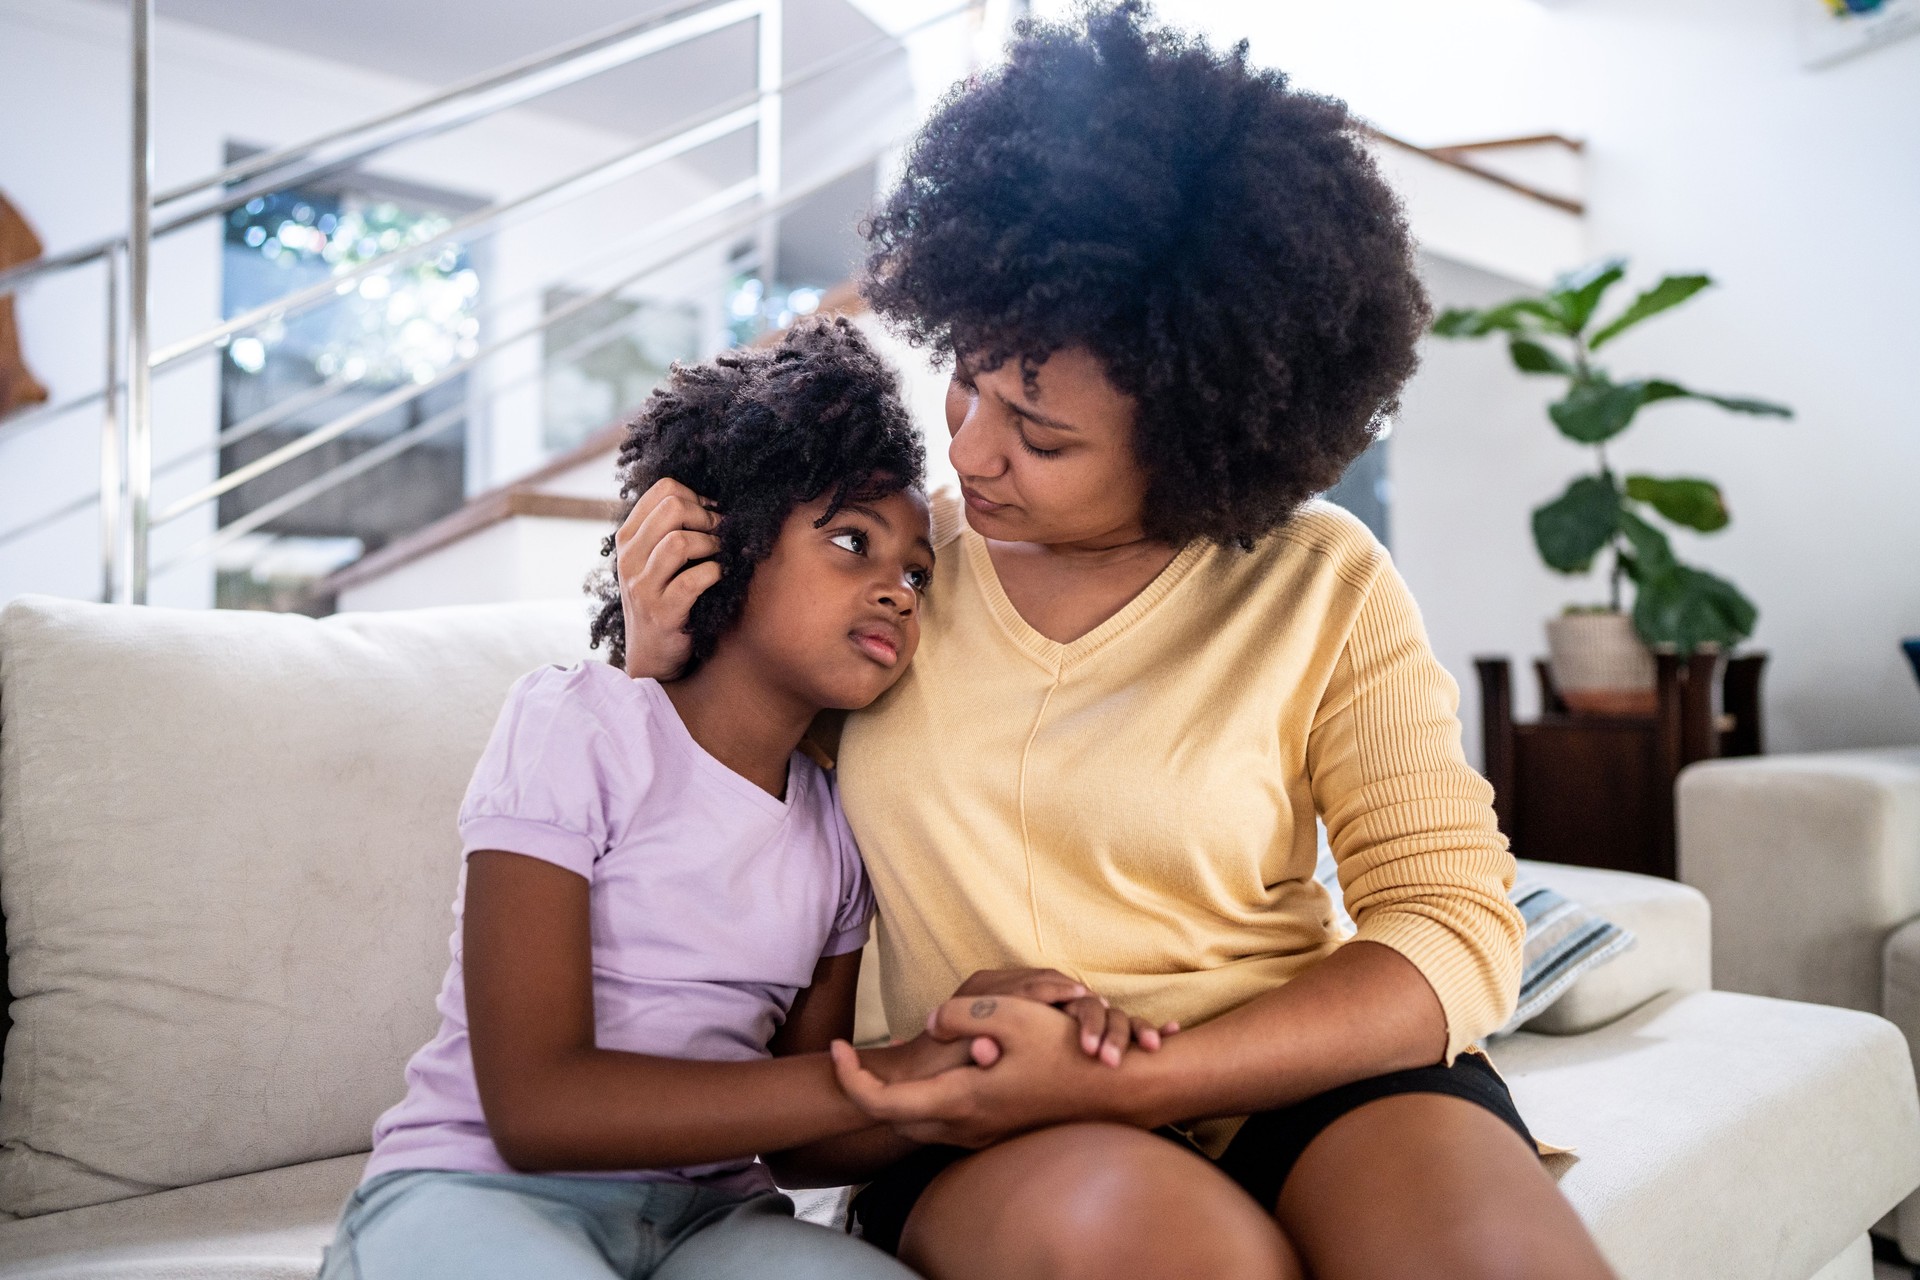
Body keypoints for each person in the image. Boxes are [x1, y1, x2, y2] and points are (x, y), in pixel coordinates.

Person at [613, 8, 1618, 1280]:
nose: (970, 449)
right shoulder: (883, 572)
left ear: (1205, 438)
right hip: (980, 1122)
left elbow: (1452, 923)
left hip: (1293, 1076)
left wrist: (1163, 1073)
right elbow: (687, 827)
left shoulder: (1319, 582)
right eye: (966, 381)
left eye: (1038, 432)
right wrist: (661, 655)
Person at [320, 318, 996, 1280]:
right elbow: (536, 1109)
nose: (896, 590)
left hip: (712, 1220)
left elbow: (800, 1145)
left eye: (917, 575)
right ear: (731, 535)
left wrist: (957, 1066)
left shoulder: (837, 833)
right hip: (482, 1187)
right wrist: (883, 1077)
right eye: (853, 542)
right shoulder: (577, 726)